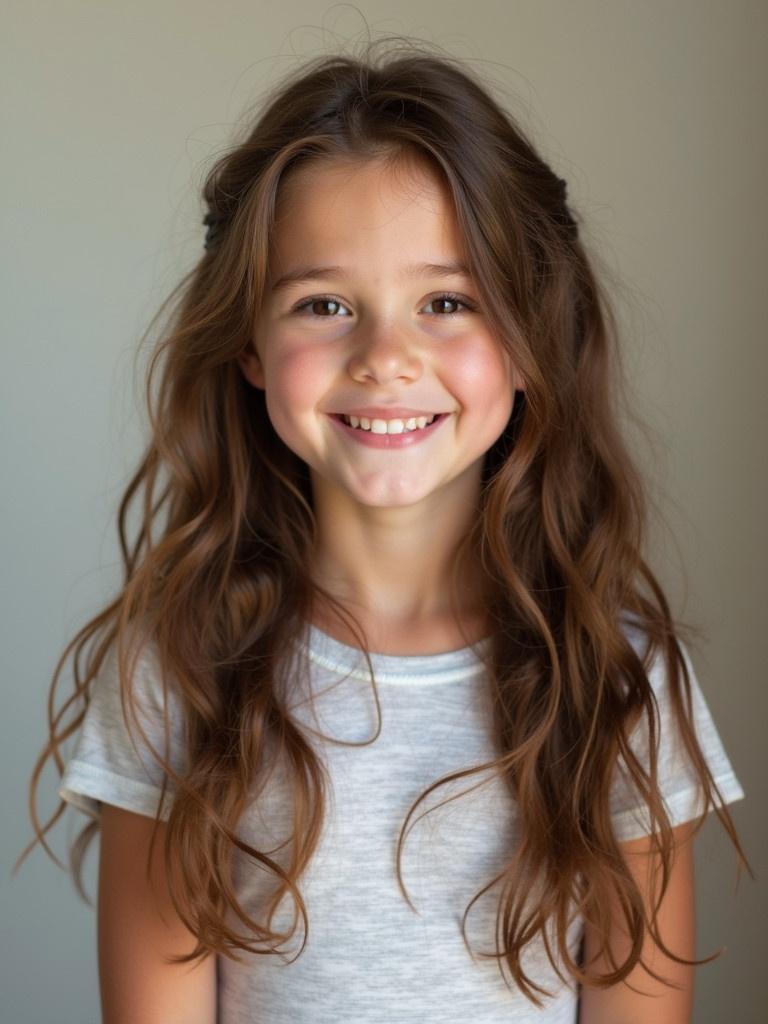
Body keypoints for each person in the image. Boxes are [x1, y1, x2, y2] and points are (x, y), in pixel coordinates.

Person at [16, 36, 751, 1024]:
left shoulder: (619, 675)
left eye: (447, 302)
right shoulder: (178, 664)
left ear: (534, 337)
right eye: (324, 304)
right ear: (248, 343)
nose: (386, 357)